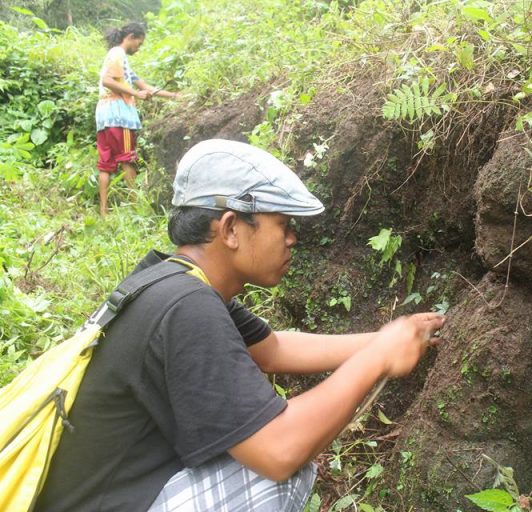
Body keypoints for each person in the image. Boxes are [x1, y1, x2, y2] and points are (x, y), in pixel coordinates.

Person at [35, 139, 445, 511]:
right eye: (283, 225)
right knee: (275, 472)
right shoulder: (187, 305)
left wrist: (392, 335)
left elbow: (274, 350)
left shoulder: (170, 280)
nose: (292, 239)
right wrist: (376, 358)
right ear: (231, 228)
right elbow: (279, 452)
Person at [96, 22, 179, 217]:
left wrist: (175, 96)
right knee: (127, 159)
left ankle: (103, 212)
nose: (138, 48)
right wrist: (135, 93)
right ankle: (135, 208)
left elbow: (146, 87)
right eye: (138, 44)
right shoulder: (118, 54)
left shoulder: (121, 62)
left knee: (105, 163)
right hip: (120, 116)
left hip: (104, 116)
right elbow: (107, 81)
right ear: (131, 37)